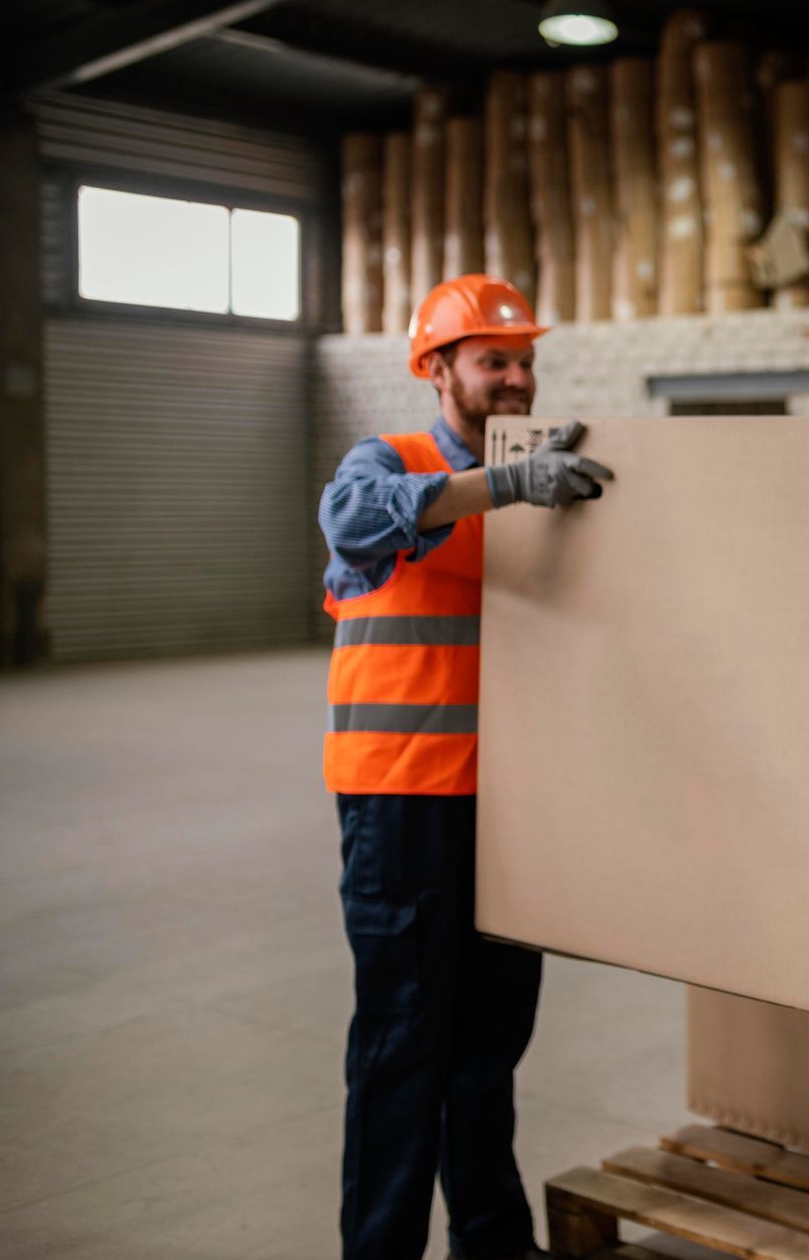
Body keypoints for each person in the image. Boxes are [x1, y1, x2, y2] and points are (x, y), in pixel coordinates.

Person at [319, 274, 613, 1260]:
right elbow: (355, 524)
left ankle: (494, 1241)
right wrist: (507, 485)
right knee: (405, 1047)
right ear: (437, 368)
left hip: (505, 810)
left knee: (488, 1050)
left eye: (526, 360)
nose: (518, 378)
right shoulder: (387, 460)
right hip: (403, 802)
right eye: (495, 360)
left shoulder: (547, 482)